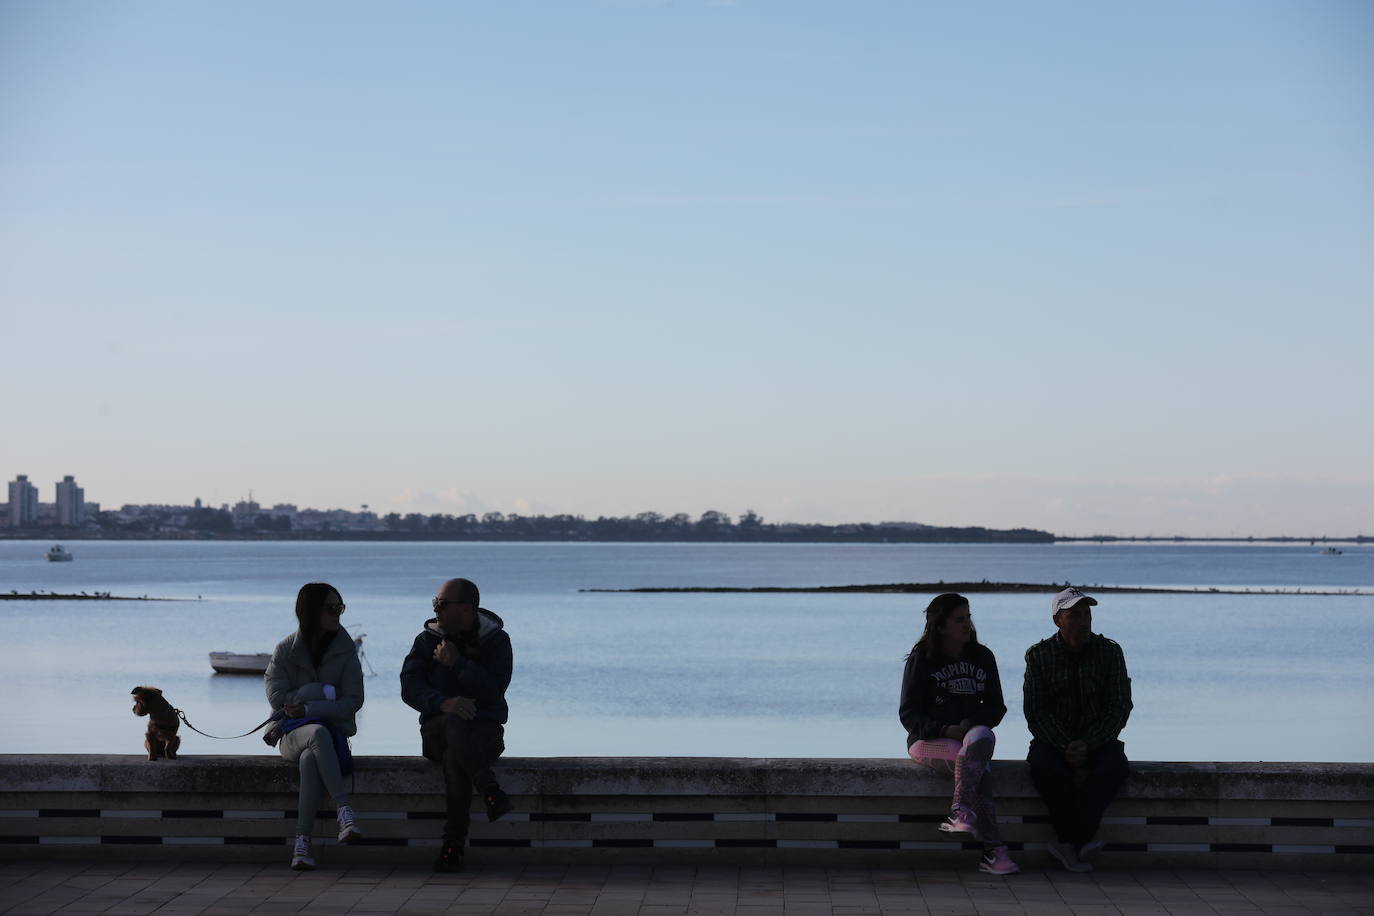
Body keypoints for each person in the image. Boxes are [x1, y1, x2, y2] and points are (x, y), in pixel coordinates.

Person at [899, 593, 1019, 876]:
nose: (968, 624)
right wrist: (944, 729)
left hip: (969, 737)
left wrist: (970, 722)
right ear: (941, 626)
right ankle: (994, 851)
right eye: (959, 619)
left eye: (968, 617)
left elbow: (996, 707)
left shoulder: (983, 657)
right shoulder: (921, 661)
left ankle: (960, 812)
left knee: (983, 737)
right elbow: (908, 715)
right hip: (928, 741)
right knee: (975, 768)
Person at [400, 577, 514, 872]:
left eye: (441, 604)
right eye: (435, 604)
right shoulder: (426, 641)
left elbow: (494, 690)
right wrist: (442, 703)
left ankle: (452, 847)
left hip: (484, 735)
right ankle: (490, 790)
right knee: (452, 724)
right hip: (436, 732)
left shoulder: (497, 641)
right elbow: (409, 688)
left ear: (465, 609)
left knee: (456, 756)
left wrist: (458, 665)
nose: (435, 610)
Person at [1023, 587, 1133, 873]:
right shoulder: (1039, 655)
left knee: (1115, 767)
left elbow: (1120, 706)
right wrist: (1065, 744)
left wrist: (1088, 743)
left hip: (1098, 740)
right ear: (1058, 620)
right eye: (1075, 615)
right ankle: (1079, 842)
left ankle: (1069, 842)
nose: (1084, 621)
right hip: (1053, 741)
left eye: (1087, 614)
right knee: (1045, 768)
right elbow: (1035, 711)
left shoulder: (1110, 651)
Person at [265, 582, 365, 870]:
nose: (338, 614)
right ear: (310, 612)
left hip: (332, 736)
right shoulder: (285, 649)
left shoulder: (346, 651)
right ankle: (344, 811)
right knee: (315, 733)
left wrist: (309, 706)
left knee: (311, 759)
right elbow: (277, 698)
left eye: (340, 607)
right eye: (331, 608)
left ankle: (302, 845)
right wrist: (323, 692)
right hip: (290, 734)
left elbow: (353, 701)